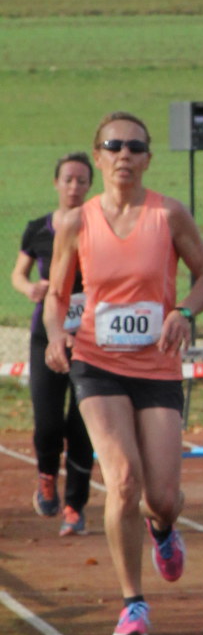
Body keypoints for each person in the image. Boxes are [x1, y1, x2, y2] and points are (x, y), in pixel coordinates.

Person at [44, 113, 203, 635]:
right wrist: (54, 336)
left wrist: (183, 312)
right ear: (98, 156)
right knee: (122, 479)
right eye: (113, 145)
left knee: (160, 495)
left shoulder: (168, 214)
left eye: (135, 147)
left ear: (147, 158)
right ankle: (133, 602)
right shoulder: (77, 222)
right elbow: (56, 295)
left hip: (157, 364)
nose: (124, 154)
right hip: (96, 362)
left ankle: (163, 527)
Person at [12, 152, 95, 535]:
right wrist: (30, 288)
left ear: (90, 185)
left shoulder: (99, 228)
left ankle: (75, 506)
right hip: (47, 335)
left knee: (82, 425)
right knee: (48, 423)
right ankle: (47, 476)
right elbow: (18, 273)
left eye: (82, 180)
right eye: (68, 180)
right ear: (56, 183)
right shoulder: (38, 229)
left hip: (90, 339)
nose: (74, 187)